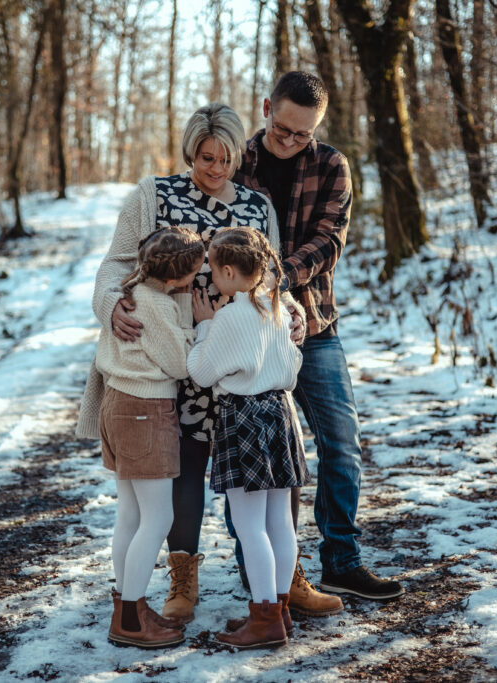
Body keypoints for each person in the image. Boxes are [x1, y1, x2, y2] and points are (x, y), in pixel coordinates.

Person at [77, 103, 325, 624]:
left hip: (245, 368)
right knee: (183, 471)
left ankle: (285, 582)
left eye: (225, 159)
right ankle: (182, 580)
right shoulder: (154, 195)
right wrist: (111, 305)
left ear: (239, 154)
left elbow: (273, 279)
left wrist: (295, 315)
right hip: (179, 364)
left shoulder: (258, 206)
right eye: (205, 158)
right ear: (191, 152)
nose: (215, 169)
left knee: (268, 480)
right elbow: (115, 266)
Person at [231, 71, 404, 601]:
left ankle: (341, 561)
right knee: (255, 453)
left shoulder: (331, 164)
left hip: (314, 323)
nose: (289, 141)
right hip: (249, 332)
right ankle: (262, 573)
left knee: (341, 443)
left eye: (302, 134)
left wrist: (275, 276)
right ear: (266, 108)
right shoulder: (235, 159)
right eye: (282, 129)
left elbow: (330, 239)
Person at [186, 227, 311, 649]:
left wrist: (205, 328)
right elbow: (293, 366)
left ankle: (264, 619)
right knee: (280, 521)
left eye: (212, 272)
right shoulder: (277, 308)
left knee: (248, 525)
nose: (211, 280)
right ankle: (278, 610)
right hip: (281, 412)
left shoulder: (228, 317)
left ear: (226, 271)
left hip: (243, 417)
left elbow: (201, 373)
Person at [85, 226, 205, 649]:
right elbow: (180, 363)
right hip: (145, 411)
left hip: (118, 405)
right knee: (159, 519)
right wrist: (198, 323)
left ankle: (128, 606)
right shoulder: (155, 303)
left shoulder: (132, 289)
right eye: (194, 270)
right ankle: (131, 618)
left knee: (131, 517)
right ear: (176, 278)